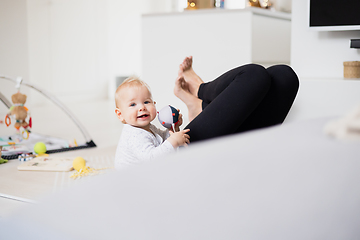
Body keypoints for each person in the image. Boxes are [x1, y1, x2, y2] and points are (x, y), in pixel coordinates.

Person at [174, 56, 299, 142]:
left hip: (184, 141)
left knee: (285, 76)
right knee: (254, 74)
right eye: (152, 101)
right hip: (185, 148)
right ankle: (200, 91)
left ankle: (200, 105)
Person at [114, 76, 190, 169]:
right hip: (134, 179)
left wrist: (172, 128)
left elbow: (161, 139)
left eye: (146, 102)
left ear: (154, 104)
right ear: (120, 114)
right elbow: (152, 159)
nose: (142, 107)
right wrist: (173, 141)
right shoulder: (134, 136)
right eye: (133, 104)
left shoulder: (148, 127)